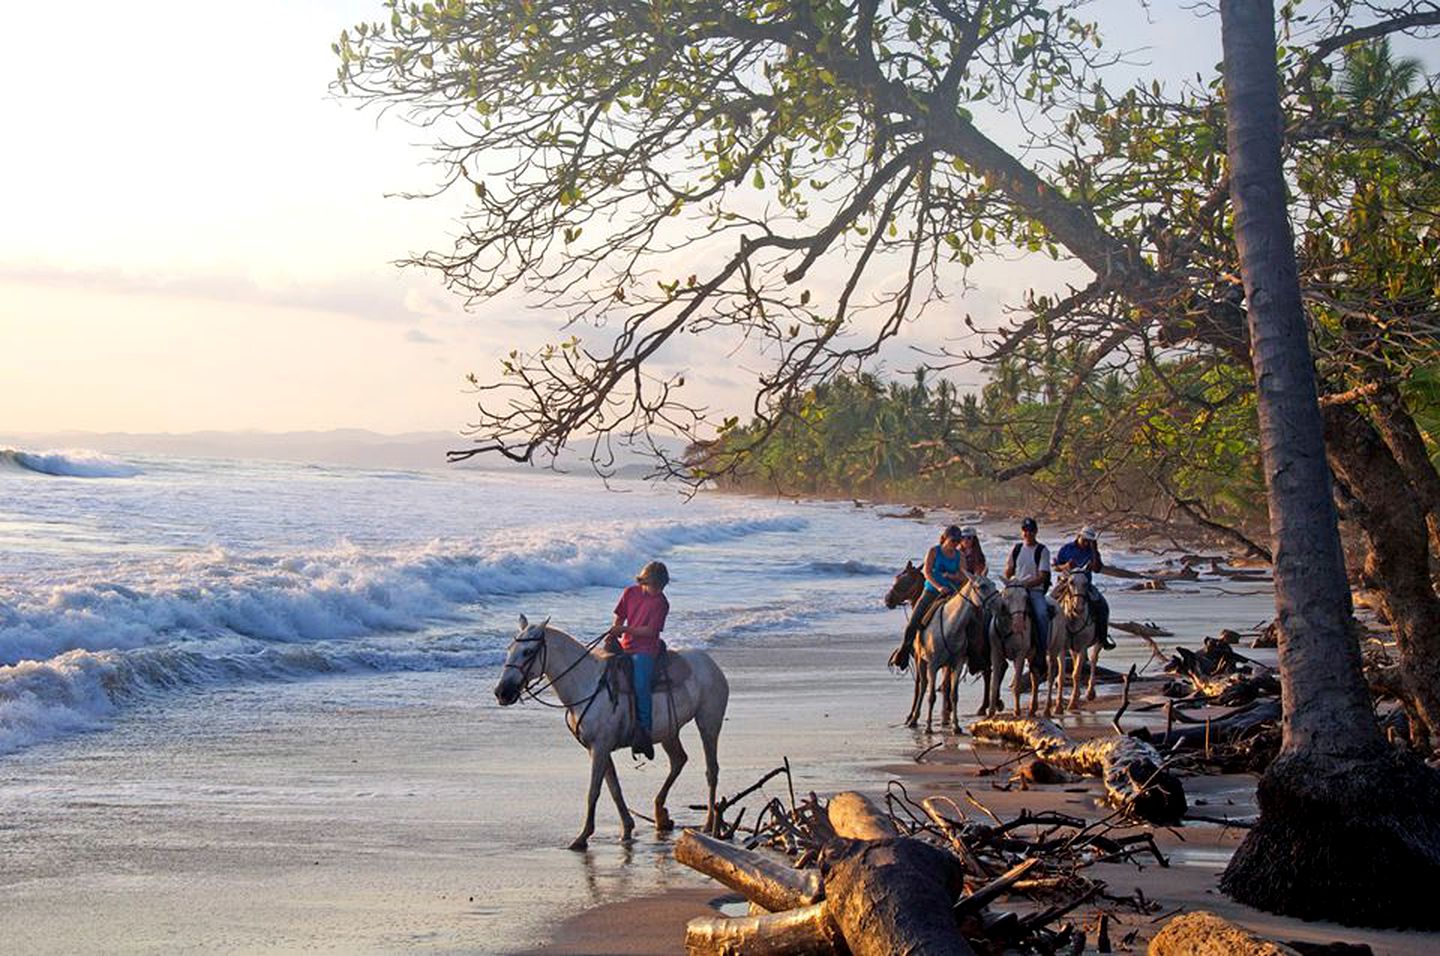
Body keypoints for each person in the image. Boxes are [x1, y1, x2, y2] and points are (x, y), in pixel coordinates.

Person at [607, 560, 670, 760]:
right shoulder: (630, 592)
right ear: (645, 581)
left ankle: (644, 729)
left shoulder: (661, 602)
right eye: (655, 586)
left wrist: (625, 629)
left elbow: (651, 631)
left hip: (646, 648)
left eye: (661, 587)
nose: (658, 590)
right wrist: (615, 629)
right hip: (626, 645)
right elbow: (619, 615)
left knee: (641, 683)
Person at [889, 525, 970, 671]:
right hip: (932, 592)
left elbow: (964, 576)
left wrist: (952, 576)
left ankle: (972, 656)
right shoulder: (934, 551)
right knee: (913, 622)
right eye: (953, 540)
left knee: (970, 620)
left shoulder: (960, 556)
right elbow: (927, 572)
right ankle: (904, 652)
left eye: (958, 541)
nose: (955, 544)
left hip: (952, 593)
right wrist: (939, 587)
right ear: (945, 538)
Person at [1054, 526, 1115, 649]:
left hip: (1084, 585)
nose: (1086, 543)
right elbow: (1055, 566)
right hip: (1067, 582)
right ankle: (1050, 636)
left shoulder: (1092, 551)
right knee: (1050, 604)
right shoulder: (1067, 549)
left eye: (1089, 541)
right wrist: (1065, 565)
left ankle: (1102, 638)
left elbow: (1097, 569)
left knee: (1102, 605)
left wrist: (1094, 550)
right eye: (1085, 540)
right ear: (1079, 536)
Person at [1002, 517, 1051, 662]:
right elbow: (1008, 572)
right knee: (995, 608)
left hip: (1034, 590)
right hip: (1016, 589)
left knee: (1042, 613)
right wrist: (1009, 570)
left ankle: (1042, 648)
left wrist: (1026, 585)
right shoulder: (1016, 549)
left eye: (1030, 531)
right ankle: (995, 646)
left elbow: (1042, 576)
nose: (1027, 533)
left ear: (1036, 532)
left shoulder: (1042, 550)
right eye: (1025, 530)